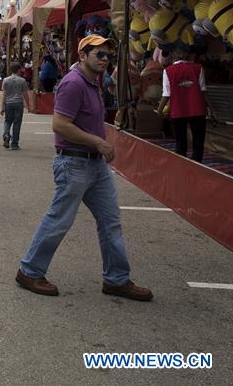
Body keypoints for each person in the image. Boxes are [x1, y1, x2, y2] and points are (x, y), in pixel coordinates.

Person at [16, 35, 153, 301]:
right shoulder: (73, 83)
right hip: (74, 162)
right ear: (83, 55)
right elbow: (60, 124)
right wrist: (97, 142)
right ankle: (30, 270)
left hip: (95, 165)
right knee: (60, 219)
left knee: (110, 220)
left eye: (107, 56)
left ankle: (116, 278)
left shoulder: (93, 83)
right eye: (99, 54)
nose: (104, 60)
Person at [157, 46, 208, 162]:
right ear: (187, 55)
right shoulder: (198, 68)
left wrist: (159, 111)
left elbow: (166, 94)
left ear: (173, 55)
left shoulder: (168, 71)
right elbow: (203, 90)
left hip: (178, 110)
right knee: (198, 140)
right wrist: (211, 109)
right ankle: (197, 163)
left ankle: (182, 165)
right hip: (198, 109)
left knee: (180, 141)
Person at [0, 62, 30, 150]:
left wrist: (2, 106)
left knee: (7, 121)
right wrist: (28, 105)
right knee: (17, 123)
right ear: (18, 70)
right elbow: (25, 94)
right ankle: (15, 143)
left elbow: (4, 94)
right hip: (18, 103)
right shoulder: (22, 80)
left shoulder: (5, 80)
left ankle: (6, 134)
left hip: (8, 103)